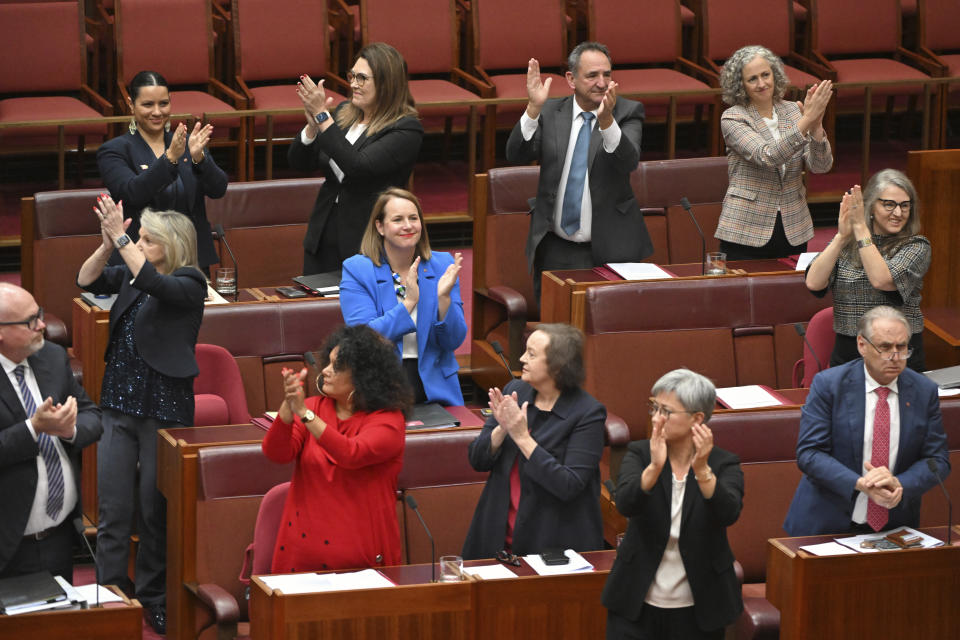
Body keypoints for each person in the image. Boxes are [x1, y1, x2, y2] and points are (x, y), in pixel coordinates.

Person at [78, 196, 206, 634]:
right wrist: (105, 245)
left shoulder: (189, 282)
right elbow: (86, 281)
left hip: (163, 408)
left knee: (155, 512)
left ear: (170, 245)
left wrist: (122, 236)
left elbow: (157, 283)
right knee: (113, 508)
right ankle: (109, 592)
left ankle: (153, 596)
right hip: (118, 403)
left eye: (148, 239)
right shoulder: (135, 276)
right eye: (140, 237)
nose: (140, 243)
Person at [783, 306, 949, 537]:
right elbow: (810, 454)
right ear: (862, 345)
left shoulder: (923, 391)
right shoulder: (829, 385)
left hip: (893, 527)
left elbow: (937, 460)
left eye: (901, 347)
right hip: (825, 524)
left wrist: (900, 483)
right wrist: (861, 484)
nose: (895, 357)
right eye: (884, 347)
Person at [505, 41, 651, 304]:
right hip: (555, 246)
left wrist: (606, 122)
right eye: (592, 75)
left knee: (607, 330)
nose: (602, 82)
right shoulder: (551, 112)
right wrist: (533, 109)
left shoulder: (628, 111)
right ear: (571, 79)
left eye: (607, 74)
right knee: (556, 329)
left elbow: (628, 161)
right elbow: (516, 154)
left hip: (612, 246)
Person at [603, 369, 744, 640]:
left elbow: (728, 512)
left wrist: (702, 470)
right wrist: (655, 468)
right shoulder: (640, 453)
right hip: (635, 600)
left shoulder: (724, 463)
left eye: (666, 411)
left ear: (697, 419)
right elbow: (626, 504)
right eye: (654, 407)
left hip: (700, 606)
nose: (656, 418)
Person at [262, 324, 411, 572]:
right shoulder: (313, 407)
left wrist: (305, 414)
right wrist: (289, 407)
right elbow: (276, 454)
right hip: (301, 556)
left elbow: (350, 454)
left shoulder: (388, 421)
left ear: (364, 376)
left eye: (337, 366)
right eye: (328, 363)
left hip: (363, 563)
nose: (327, 371)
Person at [462, 324, 606, 559]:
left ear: (558, 366)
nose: (521, 358)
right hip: (495, 538)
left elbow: (568, 485)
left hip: (551, 547)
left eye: (531, 354)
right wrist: (501, 429)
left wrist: (521, 436)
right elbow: (477, 459)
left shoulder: (588, 414)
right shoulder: (517, 390)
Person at [290, 42, 424, 275]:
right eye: (352, 75)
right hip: (323, 234)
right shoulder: (342, 114)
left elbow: (358, 166)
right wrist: (312, 127)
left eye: (362, 78)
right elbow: (298, 163)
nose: (353, 84)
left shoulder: (406, 129)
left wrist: (323, 116)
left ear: (386, 83)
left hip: (367, 240)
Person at [0, 284, 101, 583]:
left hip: (59, 534)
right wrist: (34, 428)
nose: (43, 325)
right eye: (31, 320)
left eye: (39, 314)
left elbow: (93, 416)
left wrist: (70, 430)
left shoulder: (53, 358)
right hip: (8, 544)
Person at [339, 188, 466, 406]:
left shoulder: (442, 264)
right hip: (381, 384)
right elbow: (363, 339)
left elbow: (453, 340)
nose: (408, 226)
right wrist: (408, 303)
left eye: (413, 218)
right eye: (398, 219)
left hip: (437, 387)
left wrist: (444, 299)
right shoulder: (358, 270)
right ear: (380, 226)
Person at [97, 70, 228, 271]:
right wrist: (169, 160)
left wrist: (200, 159)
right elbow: (133, 193)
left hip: (191, 260)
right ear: (131, 104)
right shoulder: (114, 151)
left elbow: (218, 189)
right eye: (148, 104)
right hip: (139, 261)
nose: (157, 112)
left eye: (163, 104)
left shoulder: (186, 143)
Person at [715, 45, 833, 260]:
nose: (761, 84)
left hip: (793, 226)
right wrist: (807, 120)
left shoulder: (792, 111)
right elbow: (768, 156)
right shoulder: (733, 118)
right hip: (746, 228)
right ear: (740, 85)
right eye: (752, 79)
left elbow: (821, 166)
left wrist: (816, 127)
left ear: (775, 75)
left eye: (765, 75)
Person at [805, 169, 930, 371]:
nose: (898, 213)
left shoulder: (916, 246)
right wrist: (841, 238)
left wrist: (861, 230)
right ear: (871, 206)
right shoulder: (848, 245)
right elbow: (814, 282)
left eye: (905, 206)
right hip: (848, 354)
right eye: (889, 204)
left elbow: (882, 280)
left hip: (897, 357)